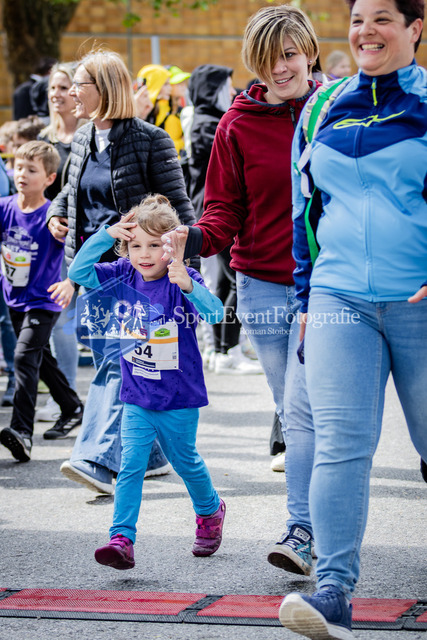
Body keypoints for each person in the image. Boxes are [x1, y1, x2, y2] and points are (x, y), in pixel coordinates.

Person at [279, 1, 426, 638]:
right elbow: (304, 209)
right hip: (339, 299)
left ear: (415, 27)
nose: (367, 31)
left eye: (383, 18)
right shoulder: (322, 106)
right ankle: (333, 591)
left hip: (419, 301)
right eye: (358, 18)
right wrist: (305, 299)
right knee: (340, 442)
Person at [162, 5, 320, 576]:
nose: (280, 68)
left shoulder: (337, 109)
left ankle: (304, 528)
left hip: (327, 289)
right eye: (267, 58)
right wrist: (191, 237)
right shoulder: (237, 123)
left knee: (304, 410)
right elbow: (224, 210)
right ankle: (316, 524)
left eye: (290, 54)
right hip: (261, 286)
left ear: (309, 52)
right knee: (293, 409)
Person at [47, 49, 196, 495]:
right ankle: (151, 457)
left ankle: (96, 459)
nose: (72, 92)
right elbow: (72, 191)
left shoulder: (151, 139)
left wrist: (182, 273)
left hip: (138, 276)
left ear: (105, 89)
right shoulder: (82, 138)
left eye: (80, 84)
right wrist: (56, 212)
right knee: (119, 364)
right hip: (94, 275)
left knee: (117, 365)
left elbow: (179, 207)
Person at [68, 194, 225, 570]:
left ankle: (210, 510)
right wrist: (106, 235)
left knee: (185, 462)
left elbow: (216, 314)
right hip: (136, 396)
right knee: (131, 466)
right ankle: (121, 538)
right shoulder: (122, 273)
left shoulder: (180, 279)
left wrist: (189, 285)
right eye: (136, 245)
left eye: (154, 245)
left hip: (179, 398)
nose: (144, 254)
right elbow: (79, 272)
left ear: (171, 245)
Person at [0, 141, 84, 462]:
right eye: (18, 167)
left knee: (23, 357)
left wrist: (71, 282)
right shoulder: (5, 207)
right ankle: (72, 406)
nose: (22, 174)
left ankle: (22, 432)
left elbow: (77, 249)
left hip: (44, 300)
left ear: (49, 178)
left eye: (31, 170)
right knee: (40, 358)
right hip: (14, 297)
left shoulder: (52, 217)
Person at [36, 62, 85, 421]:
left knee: (80, 320)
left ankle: (79, 397)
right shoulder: (43, 137)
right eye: (53, 87)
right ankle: (64, 395)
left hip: (84, 240)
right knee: (60, 320)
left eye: (64, 87)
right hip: (49, 241)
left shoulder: (90, 135)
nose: (57, 94)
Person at [136, 64, 185, 156]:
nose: (170, 88)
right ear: (155, 85)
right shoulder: (138, 109)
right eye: (166, 84)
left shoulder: (166, 108)